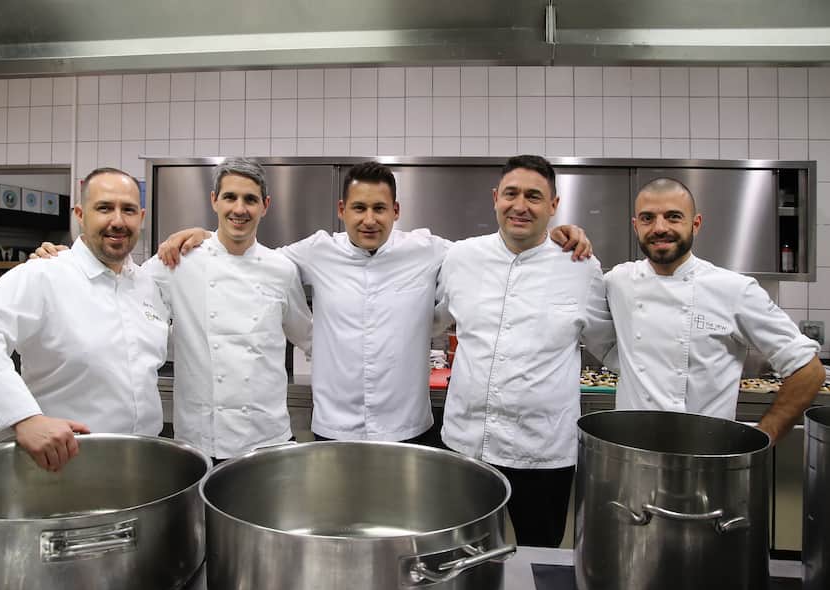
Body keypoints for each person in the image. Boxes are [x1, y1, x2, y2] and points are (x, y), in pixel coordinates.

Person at [156, 161, 593, 444]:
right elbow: (251, 261)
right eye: (359, 208)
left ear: (397, 211)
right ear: (342, 209)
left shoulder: (430, 250)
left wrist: (557, 235)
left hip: (409, 430)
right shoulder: (313, 251)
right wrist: (203, 237)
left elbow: (496, 253)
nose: (370, 219)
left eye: (380, 209)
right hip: (333, 431)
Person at [434, 155, 615, 547]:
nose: (520, 205)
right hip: (467, 444)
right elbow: (433, 319)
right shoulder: (461, 258)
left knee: (540, 558)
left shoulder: (581, 266)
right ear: (495, 198)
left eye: (534, 196)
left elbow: (609, 346)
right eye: (511, 194)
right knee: (462, 556)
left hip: (543, 452)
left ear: (554, 205)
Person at [0, 167, 169, 472]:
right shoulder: (44, 274)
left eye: (128, 210)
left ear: (141, 218)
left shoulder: (145, 285)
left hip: (141, 462)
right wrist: (23, 418)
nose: (117, 221)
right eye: (104, 208)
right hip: (63, 464)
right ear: (80, 214)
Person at [605, 177, 824, 443]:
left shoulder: (734, 290)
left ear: (695, 224)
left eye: (673, 217)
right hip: (633, 454)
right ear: (636, 226)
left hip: (707, 460)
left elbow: (809, 370)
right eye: (647, 218)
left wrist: (762, 439)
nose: (659, 228)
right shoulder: (618, 281)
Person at [143, 159, 312, 460]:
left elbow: (308, 336)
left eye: (250, 199)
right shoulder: (179, 260)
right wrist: (62, 258)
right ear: (214, 201)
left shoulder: (282, 270)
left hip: (267, 437)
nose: (239, 209)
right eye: (230, 197)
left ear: (265, 205)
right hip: (201, 438)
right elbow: (121, 281)